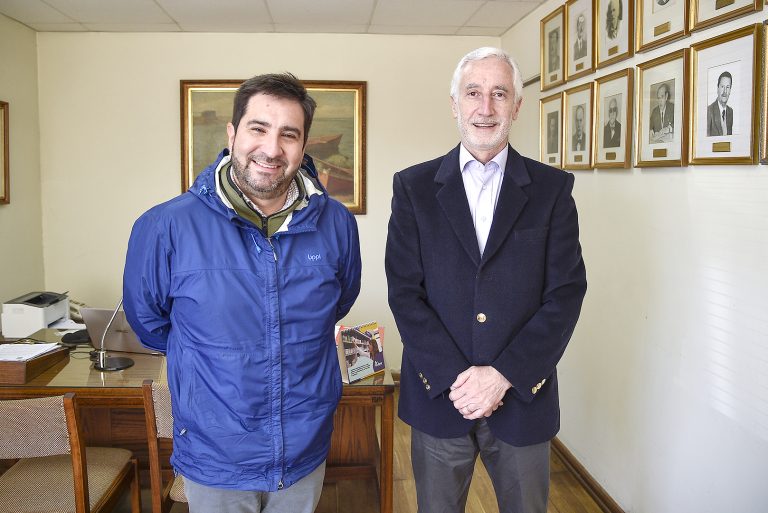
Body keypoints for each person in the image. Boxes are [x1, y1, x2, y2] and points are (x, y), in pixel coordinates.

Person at [123, 73, 362, 513]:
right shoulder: (164, 226)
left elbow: (338, 303)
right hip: (216, 456)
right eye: (258, 129)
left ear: (304, 144)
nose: (272, 150)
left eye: (288, 134)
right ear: (232, 133)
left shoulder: (337, 224)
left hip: (303, 451)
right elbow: (151, 325)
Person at [385, 47, 587, 513]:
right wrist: (461, 380)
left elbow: (565, 295)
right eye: (473, 93)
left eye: (500, 94)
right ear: (454, 103)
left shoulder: (552, 189)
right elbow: (405, 292)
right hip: (439, 396)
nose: (486, 107)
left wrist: (501, 377)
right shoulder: (413, 188)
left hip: (521, 400)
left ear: (517, 106)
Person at [707, 71, 733, 136]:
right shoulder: (709, 110)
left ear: (730, 90)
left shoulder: (730, 111)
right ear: (717, 88)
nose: (725, 91)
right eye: (722, 86)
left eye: (727, 87)